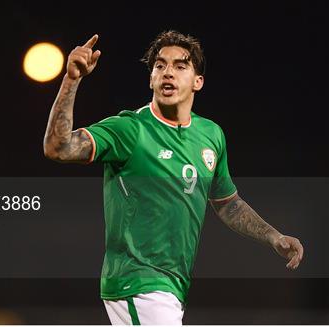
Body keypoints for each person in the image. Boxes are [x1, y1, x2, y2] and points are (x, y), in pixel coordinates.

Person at [43, 31, 304, 325]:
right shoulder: (131, 128)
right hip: (137, 282)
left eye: (180, 66)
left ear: (198, 81)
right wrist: (72, 79)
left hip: (172, 288)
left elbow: (227, 203)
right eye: (160, 65)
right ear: (151, 79)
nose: (168, 72)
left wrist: (273, 236)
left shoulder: (210, 136)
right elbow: (58, 148)